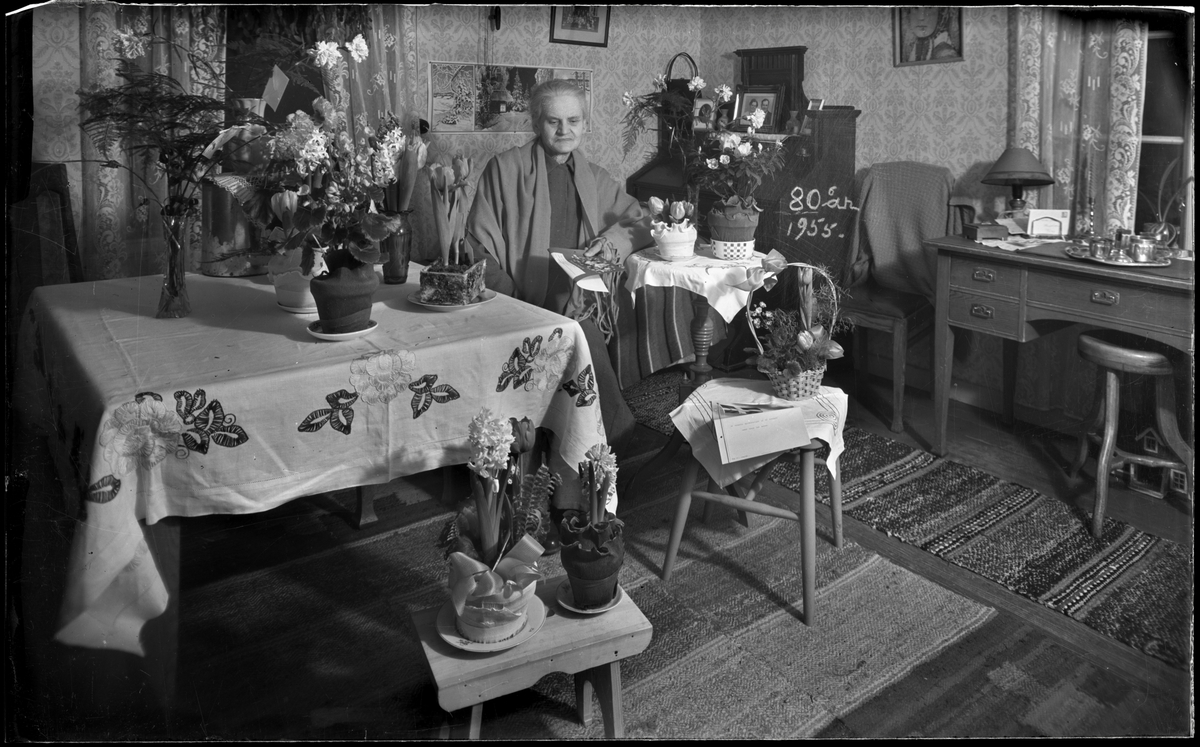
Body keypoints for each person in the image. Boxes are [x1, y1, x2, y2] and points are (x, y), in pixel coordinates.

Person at [466, 79, 651, 470]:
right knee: (580, 335)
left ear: (585, 123)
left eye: (573, 121)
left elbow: (638, 221)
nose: (565, 130)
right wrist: (511, 301)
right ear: (537, 123)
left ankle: (586, 455)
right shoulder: (505, 169)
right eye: (554, 121)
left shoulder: (595, 176)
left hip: (576, 300)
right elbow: (478, 247)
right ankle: (605, 444)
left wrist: (612, 242)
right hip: (519, 299)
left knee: (589, 329)